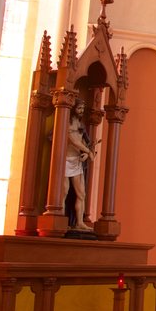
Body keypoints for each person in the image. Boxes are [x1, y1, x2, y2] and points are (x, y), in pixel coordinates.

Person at [65, 99, 96, 231]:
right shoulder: (67, 122)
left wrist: (85, 154)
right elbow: (73, 141)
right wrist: (87, 151)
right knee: (63, 192)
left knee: (81, 194)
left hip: (77, 161)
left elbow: (82, 140)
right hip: (65, 160)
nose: (81, 111)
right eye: (79, 108)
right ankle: (58, 219)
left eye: (83, 108)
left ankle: (79, 223)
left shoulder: (80, 123)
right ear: (73, 108)